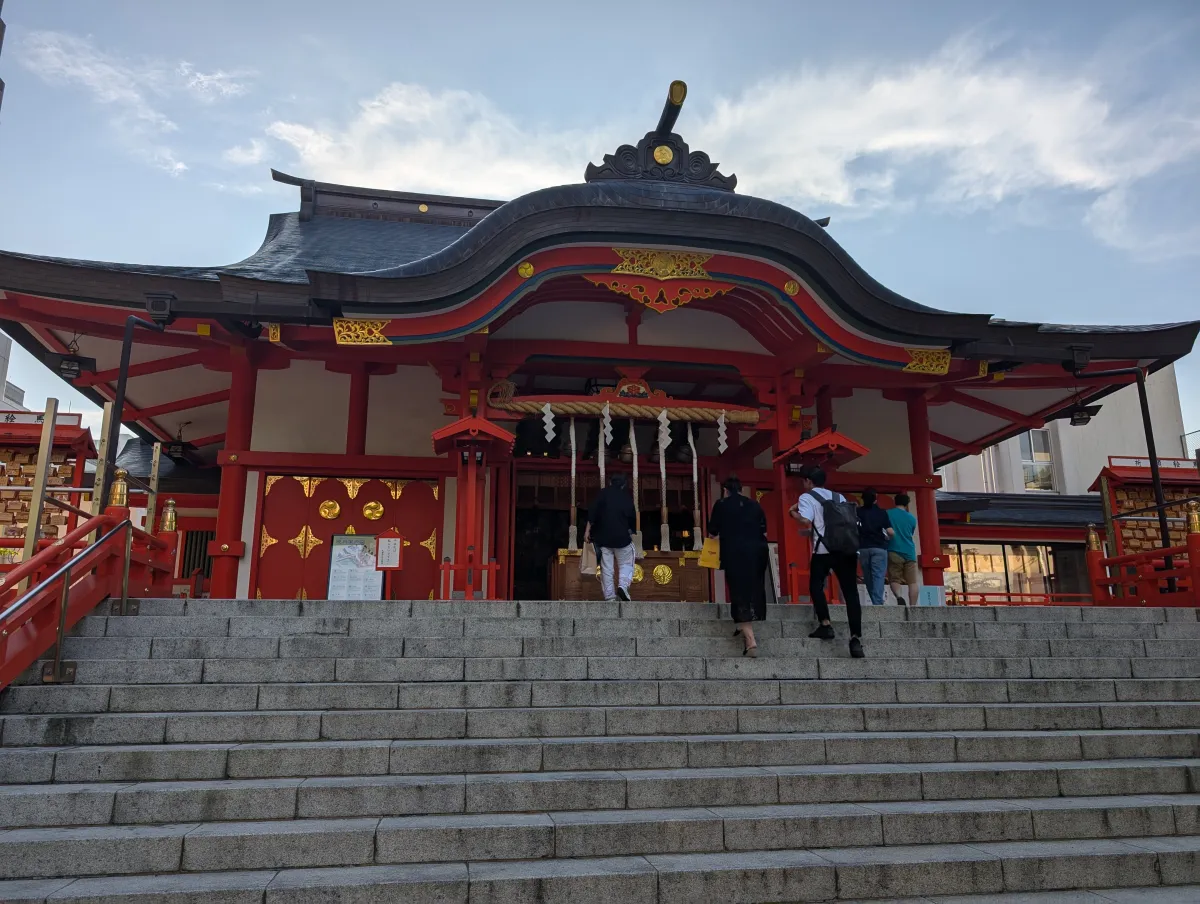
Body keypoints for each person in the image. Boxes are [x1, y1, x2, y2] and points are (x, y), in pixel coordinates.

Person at [790, 466, 865, 659]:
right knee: (851, 593)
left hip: (824, 550)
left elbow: (806, 520)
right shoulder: (839, 496)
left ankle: (825, 624)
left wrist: (793, 513)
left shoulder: (806, 497)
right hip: (847, 549)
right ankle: (856, 638)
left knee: (816, 585)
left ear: (808, 481)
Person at [707, 475, 768, 657]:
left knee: (738, 590)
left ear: (725, 490)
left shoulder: (722, 505)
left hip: (735, 552)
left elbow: (712, 532)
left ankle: (750, 639)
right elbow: (763, 529)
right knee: (753, 588)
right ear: (741, 489)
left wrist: (724, 536)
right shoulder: (755, 505)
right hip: (758, 552)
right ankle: (743, 625)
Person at [583, 474, 637, 602]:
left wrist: (587, 531)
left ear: (610, 482)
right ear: (624, 484)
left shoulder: (602, 494)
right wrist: (630, 531)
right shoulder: (626, 497)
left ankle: (609, 596)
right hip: (622, 538)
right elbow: (632, 517)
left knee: (606, 568)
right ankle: (623, 586)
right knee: (626, 564)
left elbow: (593, 513)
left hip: (603, 538)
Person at [857, 489, 892, 606]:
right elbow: (890, 531)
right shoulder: (882, 513)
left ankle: (874, 599)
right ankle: (877, 602)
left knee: (867, 576)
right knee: (878, 575)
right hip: (879, 547)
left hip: (863, 548)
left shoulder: (858, 512)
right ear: (875, 499)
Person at [887, 493, 920, 605]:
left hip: (894, 549)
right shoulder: (911, 518)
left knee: (895, 579)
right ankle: (913, 606)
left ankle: (899, 597)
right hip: (910, 551)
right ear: (907, 504)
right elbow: (910, 532)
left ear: (895, 501)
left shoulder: (888, 514)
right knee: (912, 582)